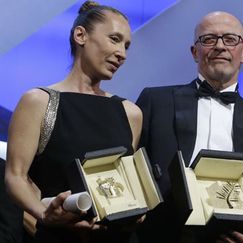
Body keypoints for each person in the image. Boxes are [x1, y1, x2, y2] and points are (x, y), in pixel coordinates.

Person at [4, 1, 142, 242]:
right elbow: (16, 177)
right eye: (114, 39)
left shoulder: (130, 113)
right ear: (81, 35)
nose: (123, 54)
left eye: (127, 46)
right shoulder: (39, 101)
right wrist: (44, 215)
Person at [135, 11, 243, 243]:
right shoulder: (156, 102)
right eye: (209, 39)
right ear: (194, 52)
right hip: (161, 233)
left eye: (230, 39)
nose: (220, 46)